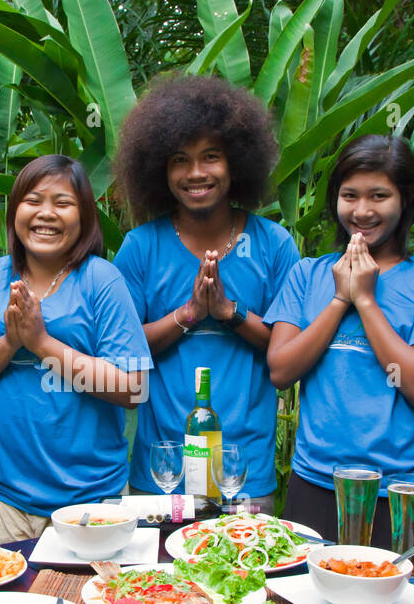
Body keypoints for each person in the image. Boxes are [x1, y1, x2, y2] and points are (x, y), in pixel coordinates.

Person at [266, 136, 414, 578]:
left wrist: (366, 301)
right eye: (350, 196)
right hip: (317, 481)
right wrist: (338, 300)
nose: (362, 211)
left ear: (405, 200)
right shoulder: (308, 274)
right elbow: (281, 369)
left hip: (403, 490)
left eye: (379, 196)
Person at [112, 74, 298, 511]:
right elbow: (123, 354)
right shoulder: (140, 247)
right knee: (156, 583)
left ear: (236, 163)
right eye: (180, 160)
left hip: (243, 473)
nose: (196, 173)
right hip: (162, 472)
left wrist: (229, 312)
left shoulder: (274, 245)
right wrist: (190, 313)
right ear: (160, 169)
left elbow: (290, 355)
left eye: (210, 157)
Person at [0, 155, 151, 541]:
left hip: (92, 501)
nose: (46, 214)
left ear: (84, 216)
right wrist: (9, 342)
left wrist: (41, 343)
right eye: (33, 200)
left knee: (89, 602)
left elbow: (133, 388)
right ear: (15, 209)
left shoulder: (101, 280)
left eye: (63, 203)